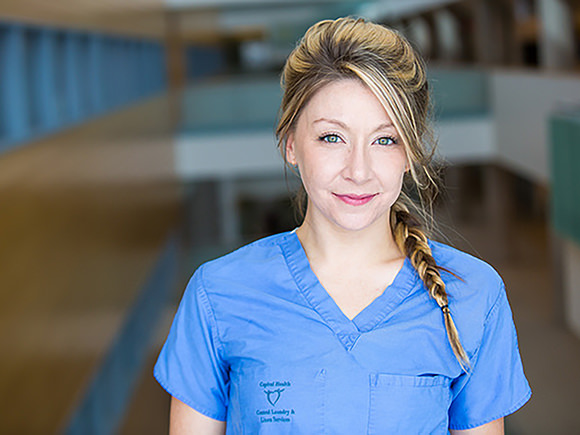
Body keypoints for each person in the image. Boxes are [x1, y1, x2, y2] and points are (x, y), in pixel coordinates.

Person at [154, 16, 531, 434]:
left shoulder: (472, 296)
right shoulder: (219, 293)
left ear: (409, 153)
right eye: (332, 137)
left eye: (385, 139)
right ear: (291, 145)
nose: (359, 170)